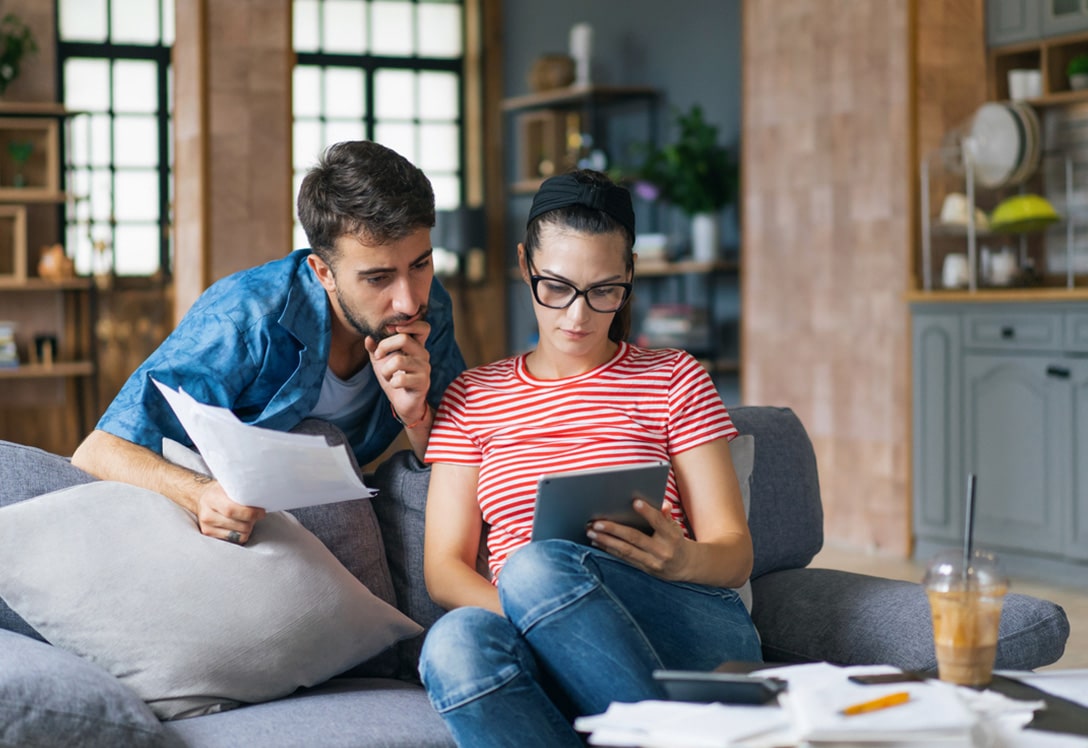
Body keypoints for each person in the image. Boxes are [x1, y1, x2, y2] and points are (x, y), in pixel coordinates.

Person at [418, 169, 761, 747]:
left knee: (532, 564)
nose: (577, 316)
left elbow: (735, 554)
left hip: (682, 622)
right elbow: (443, 570)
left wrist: (680, 560)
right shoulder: (473, 396)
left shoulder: (673, 378)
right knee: (453, 644)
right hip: (531, 626)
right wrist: (539, 613)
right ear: (526, 265)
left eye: (604, 290)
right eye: (556, 287)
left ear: (628, 275)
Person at [71, 140, 466, 545]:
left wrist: (416, 416)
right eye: (377, 278)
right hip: (225, 515)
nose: (409, 299)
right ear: (323, 272)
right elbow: (99, 450)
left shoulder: (428, 305)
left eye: (420, 264)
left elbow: (462, 452)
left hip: (336, 502)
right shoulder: (245, 316)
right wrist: (199, 494)